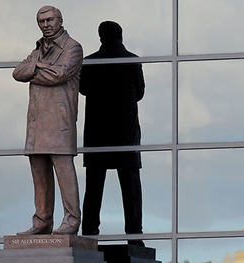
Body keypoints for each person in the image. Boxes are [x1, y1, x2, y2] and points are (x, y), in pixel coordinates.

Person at [13, 6, 83, 235]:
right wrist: (38, 65)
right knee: (40, 176)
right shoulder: (38, 49)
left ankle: (72, 220)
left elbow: (58, 74)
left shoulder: (72, 47)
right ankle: (42, 221)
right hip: (36, 123)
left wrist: (35, 71)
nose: (46, 25)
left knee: (65, 174)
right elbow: (18, 73)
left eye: (49, 20)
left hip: (59, 123)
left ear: (60, 20)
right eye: (41, 21)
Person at [79, 21, 145, 245]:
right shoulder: (132, 60)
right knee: (131, 187)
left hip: (98, 133)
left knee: (94, 187)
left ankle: (89, 233)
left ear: (100, 37)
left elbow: (84, 89)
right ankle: (135, 235)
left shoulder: (89, 62)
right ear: (121, 35)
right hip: (125, 132)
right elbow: (140, 93)